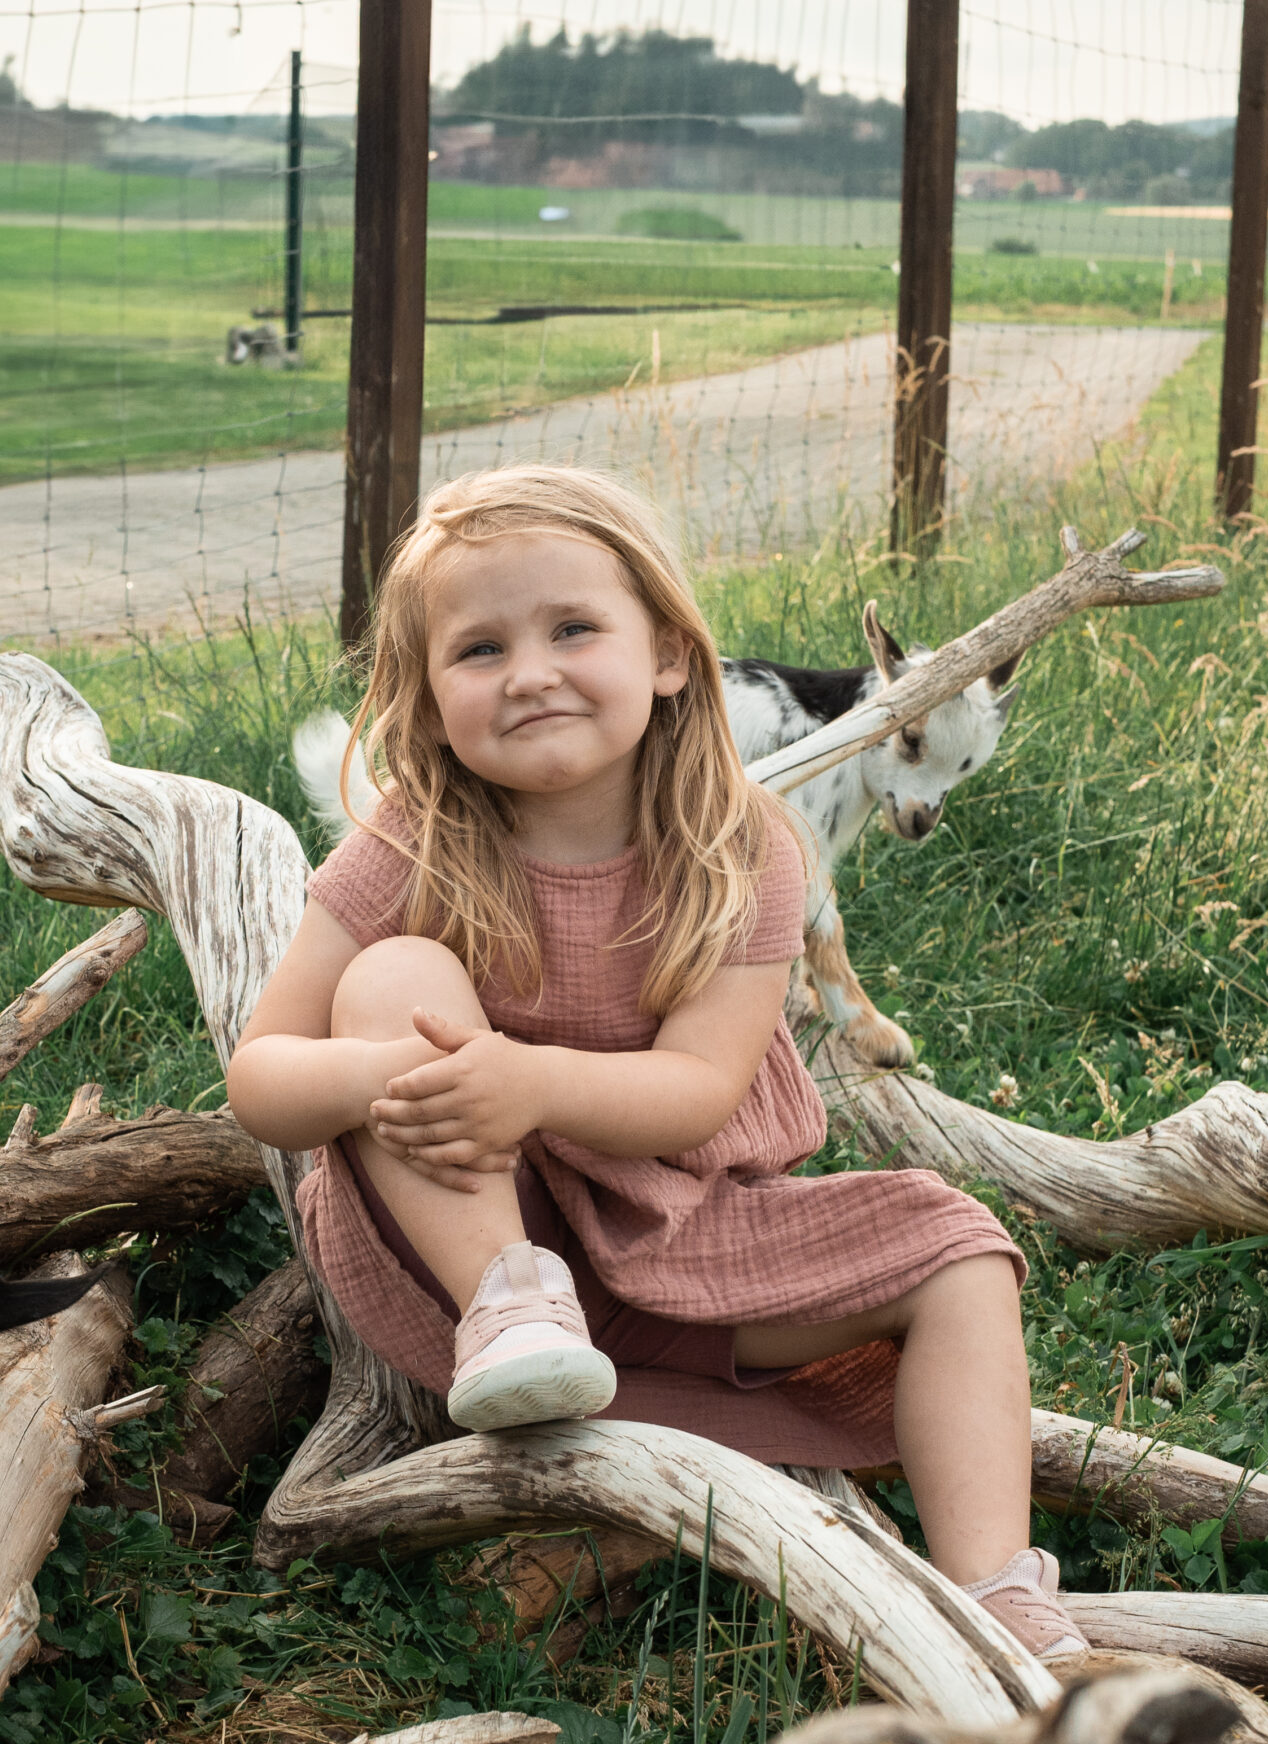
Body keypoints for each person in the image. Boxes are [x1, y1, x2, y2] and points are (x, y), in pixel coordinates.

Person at [226, 465, 1084, 1663]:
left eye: (573, 628)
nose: (529, 671)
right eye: (479, 649)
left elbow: (699, 1090)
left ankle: (998, 1592)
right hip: (468, 1247)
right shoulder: (407, 845)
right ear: (426, 700)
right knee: (390, 985)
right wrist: (389, 1081)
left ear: (671, 654)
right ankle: (521, 1320)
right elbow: (260, 1073)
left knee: (959, 1249)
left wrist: (530, 1080)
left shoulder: (743, 848)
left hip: (692, 1236)